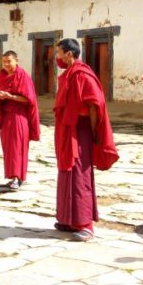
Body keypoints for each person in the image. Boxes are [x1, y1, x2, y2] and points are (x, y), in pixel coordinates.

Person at [53, 38, 117, 242]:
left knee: (79, 174)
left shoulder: (83, 75)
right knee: (66, 173)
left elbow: (94, 105)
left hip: (80, 131)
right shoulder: (68, 75)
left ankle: (85, 224)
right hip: (66, 130)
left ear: (69, 54)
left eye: (59, 53)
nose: (58, 58)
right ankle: (68, 219)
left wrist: (94, 134)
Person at [0, 50, 40, 190]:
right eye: (4, 62)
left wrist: (10, 97)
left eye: (9, 61)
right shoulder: (1, 75)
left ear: (16, 61)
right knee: (9, 148)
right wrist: (2, 97)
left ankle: (18, 177)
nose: (7, 64)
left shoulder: (22, 76)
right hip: (7, 115)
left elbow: (28, 99)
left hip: (19, 116)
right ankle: (12, 176)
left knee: (17, 147)